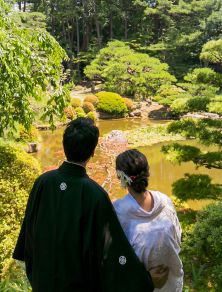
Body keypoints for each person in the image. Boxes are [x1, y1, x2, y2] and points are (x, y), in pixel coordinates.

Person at [13, 117, 168, 292]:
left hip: (44, 281)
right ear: (93, 152)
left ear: (64, 146)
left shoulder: (43, 182)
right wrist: (144, 280)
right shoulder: (95, 194)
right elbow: (113, 252)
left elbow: (29, 236)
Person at [113, 149, 183, 292]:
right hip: (171, 284)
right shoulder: (165, 201)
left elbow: (115, 259)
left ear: (122, 178)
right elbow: (177, 239)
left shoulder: (118, 212)